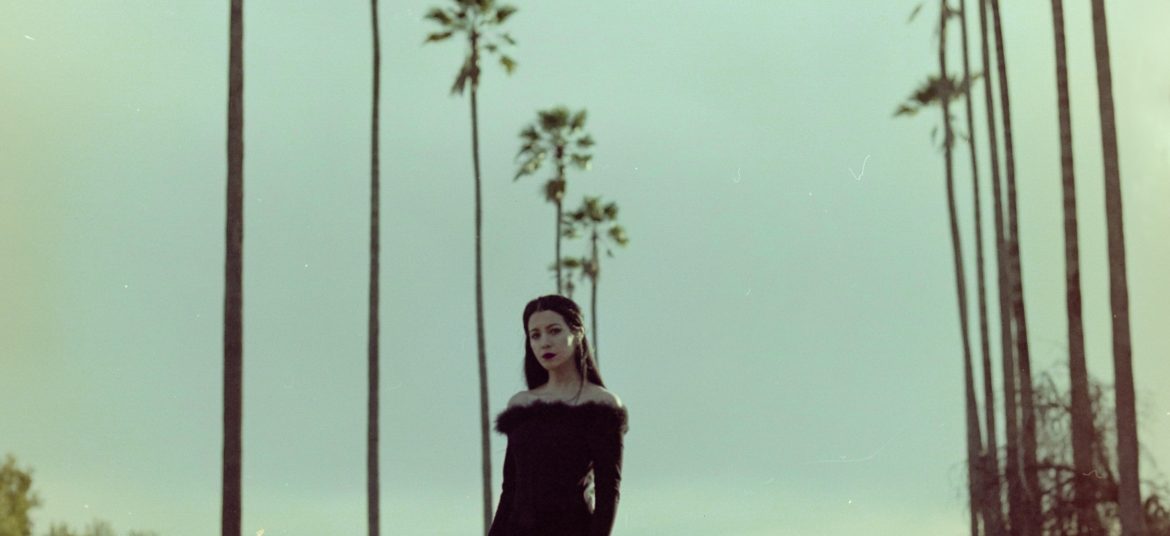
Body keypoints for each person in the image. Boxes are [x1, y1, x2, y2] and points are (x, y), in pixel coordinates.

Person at [488, 294, 629, 536]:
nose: (544, 342)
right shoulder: (521, 405)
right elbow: (510, 490)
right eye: (535, 335)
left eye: (554, 331)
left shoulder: (601, 404)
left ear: (578, 332)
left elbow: (608, 491)